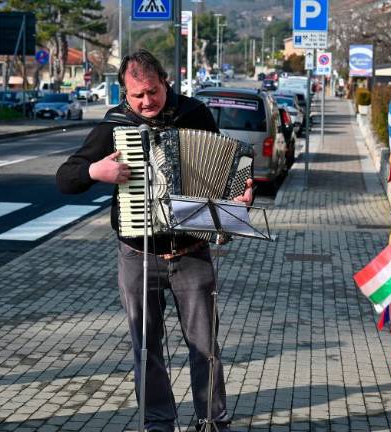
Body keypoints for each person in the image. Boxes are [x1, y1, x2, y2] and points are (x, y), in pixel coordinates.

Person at [56, 50, 252, 432]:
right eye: (137, 96)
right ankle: (158, 422)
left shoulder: (194, 114)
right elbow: (66, 178)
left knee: (206, 347)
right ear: (124, 96)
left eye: (152, 92)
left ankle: (212, 421)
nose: (146, 102)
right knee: (146, 347)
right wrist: (98, 170)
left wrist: (241, 197)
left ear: (165, 82)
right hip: (137, 253)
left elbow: (227, 174)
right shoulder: (115, 125)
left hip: (191, 251)